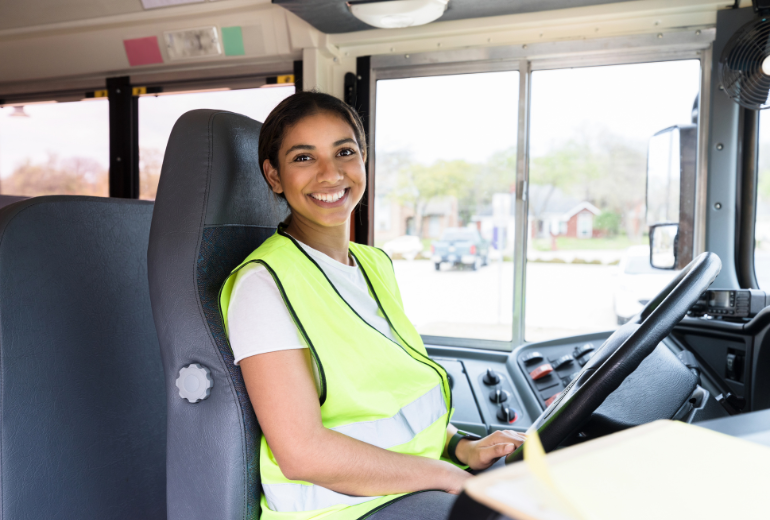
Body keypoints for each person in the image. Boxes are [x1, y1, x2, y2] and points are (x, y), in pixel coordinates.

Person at [219, 91, 525, 520]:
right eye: (304, 158)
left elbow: (390, 398)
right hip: (339, 510)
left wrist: (460, 447)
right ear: (274, 176)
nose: (330, 174)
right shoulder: (263, 284)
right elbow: (302, 453)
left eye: (344, 152)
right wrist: (446, 475)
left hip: (400, 490)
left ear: (364, 159)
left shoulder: (373, 264)